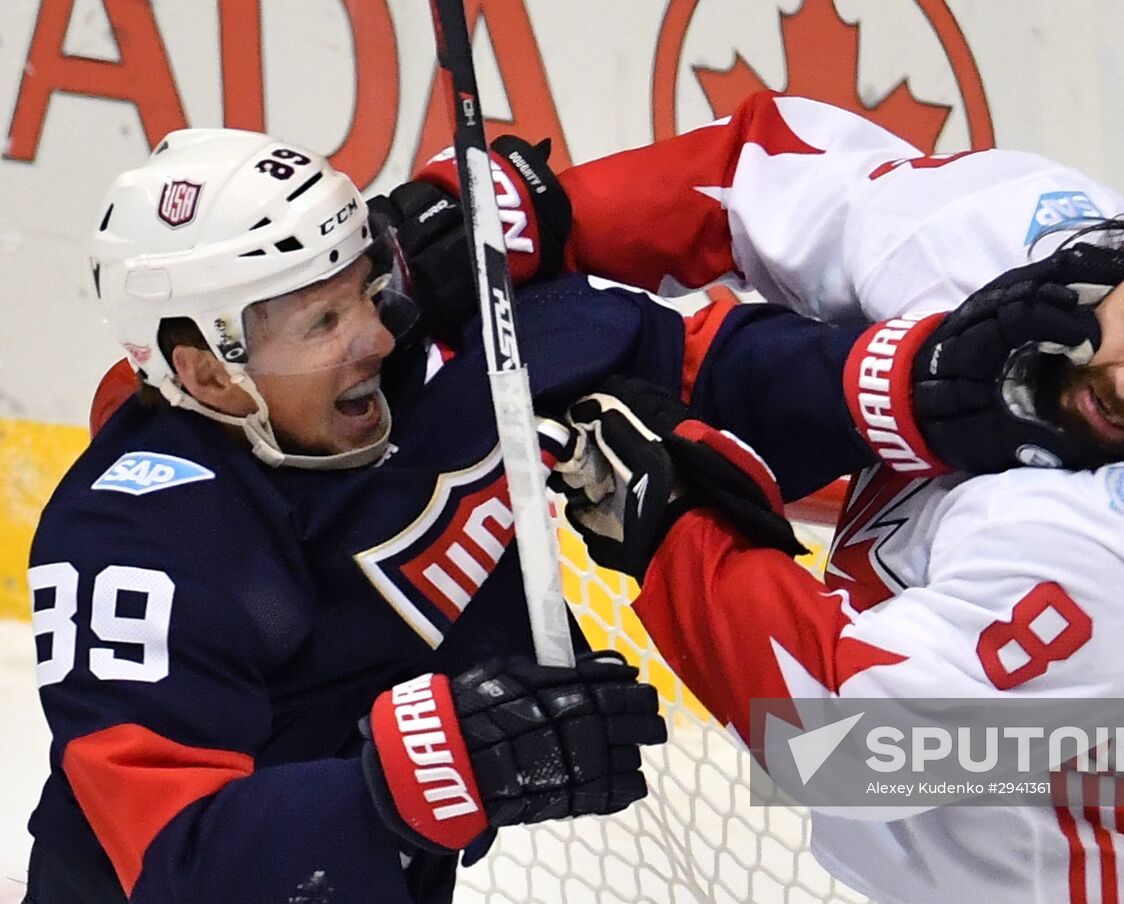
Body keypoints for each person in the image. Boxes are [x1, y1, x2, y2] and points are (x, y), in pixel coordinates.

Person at [528, 92, 1124, 903]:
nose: (1122, 380)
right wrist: (530, 216)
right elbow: (761, 167)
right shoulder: (1031, 226)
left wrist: (676, 523)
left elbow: (848, 751)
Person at [25, 126, 902, 903]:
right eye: (322, 320)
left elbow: (685, 366)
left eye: (363, 288)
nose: (371, 335)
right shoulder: (135, 541)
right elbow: (178, 860)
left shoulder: (436, 361)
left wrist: (909, 384)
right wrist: (422, 775)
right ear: (211, 372)